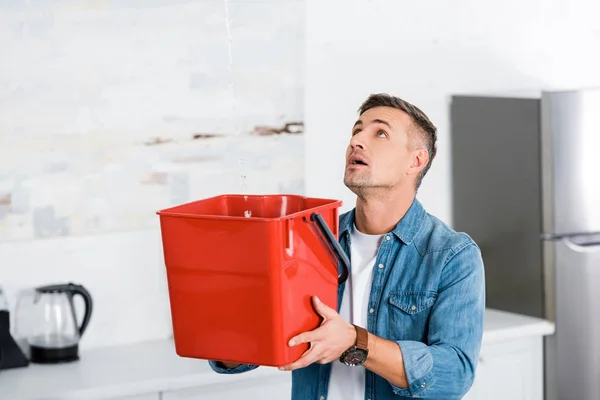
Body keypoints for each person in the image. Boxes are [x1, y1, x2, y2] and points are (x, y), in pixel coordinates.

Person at [209, 93, 486, 400]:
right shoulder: (308, 239)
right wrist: (232, 314)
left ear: (415, 161)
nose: (357, 141)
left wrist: (356, 341)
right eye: (356, 131)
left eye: (379, 133)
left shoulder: (452, 256)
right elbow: (238, 355)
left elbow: (454, 375)